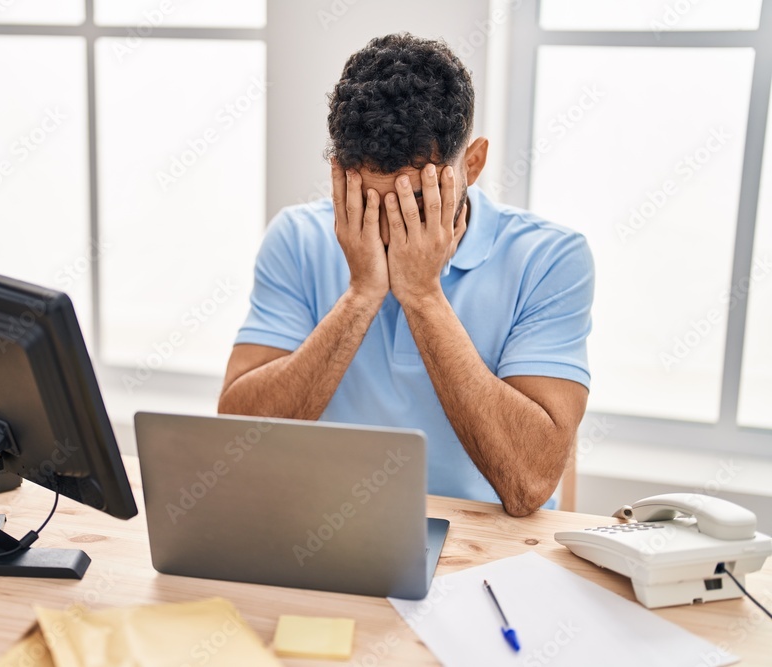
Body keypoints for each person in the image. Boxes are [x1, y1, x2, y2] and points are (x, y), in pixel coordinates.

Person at [218, 33, 594, 517]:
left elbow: (529, 483)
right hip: (325, 528)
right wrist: (360, 294)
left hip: (483, 546)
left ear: (472, 165)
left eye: (417, 202)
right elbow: (234, 448)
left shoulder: (551, 258)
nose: (392, 228)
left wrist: (423, 295)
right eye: (369, 200)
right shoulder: (296, 237)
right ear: (339, 172)